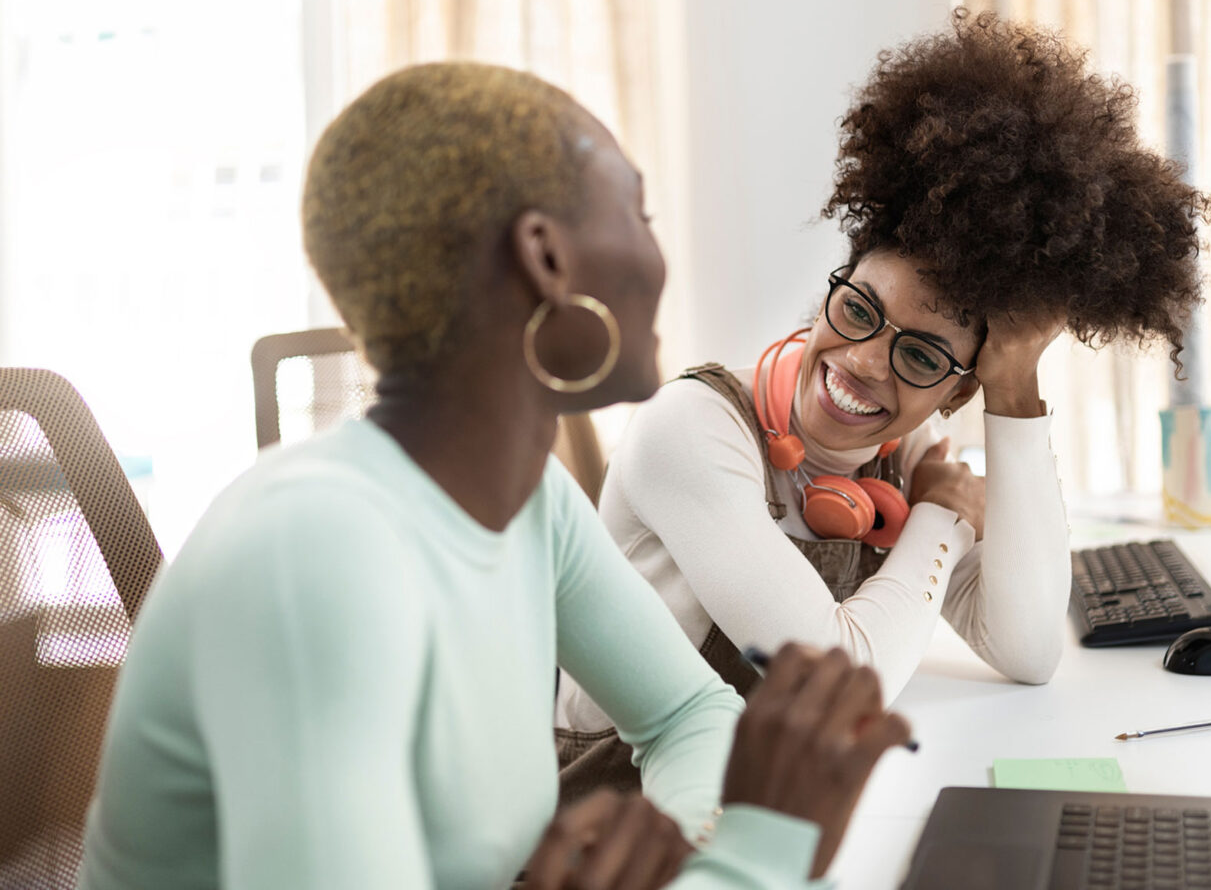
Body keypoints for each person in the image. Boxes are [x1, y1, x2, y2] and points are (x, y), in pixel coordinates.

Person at [78, 63, 910, 890]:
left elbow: (690, 715)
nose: (658, 256)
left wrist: (689, 859)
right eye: (638, 212)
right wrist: (756, 854)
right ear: (546, 256)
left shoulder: (530, 500)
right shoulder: (313, 553)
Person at [556, 10, 1211, 794]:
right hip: (614, 819)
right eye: (858, 308)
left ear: (957, 390)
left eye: (919, 354)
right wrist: (940, 516)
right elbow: (845, 692)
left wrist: (1014, 385)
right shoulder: (694, 429)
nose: (865, 361)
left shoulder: (901, 457)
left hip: (751, 802)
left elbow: (1028, 648)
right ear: (831, 290)